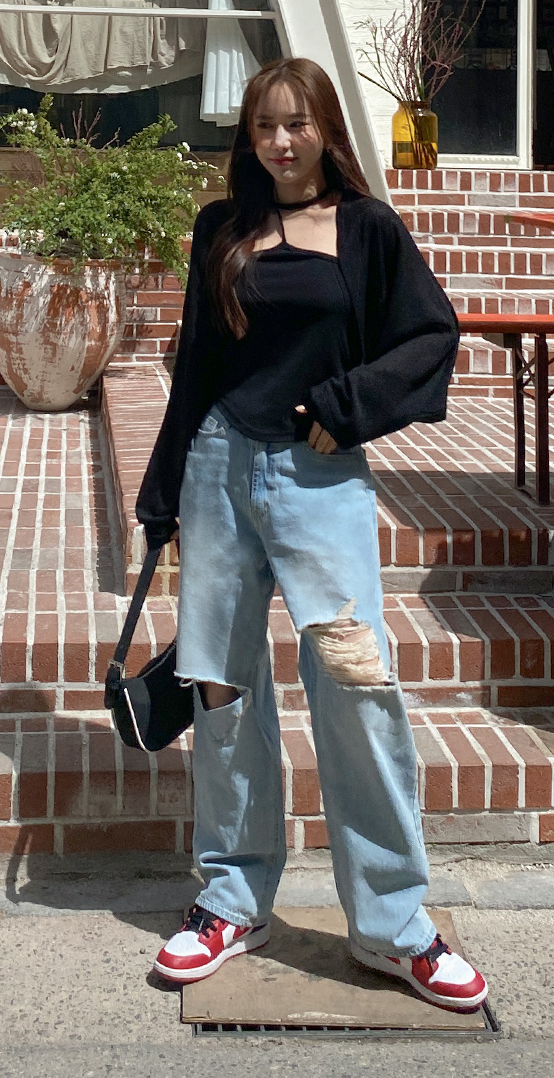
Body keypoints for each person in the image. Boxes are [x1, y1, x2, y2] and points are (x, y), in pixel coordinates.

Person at [135, 57, 487, 1012]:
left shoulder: (367, 228)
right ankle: (231, 899)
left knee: (356, 686)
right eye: (263, 126)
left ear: (327, 128)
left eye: (297, 124)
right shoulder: (223, 228)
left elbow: (432, 336)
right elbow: (195, 364)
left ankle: (393, 924)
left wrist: (348, 404)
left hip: (319, 481)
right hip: (218, 467)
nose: (280, 142)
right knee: (221, 687)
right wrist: (162, 492)